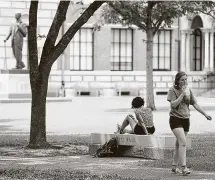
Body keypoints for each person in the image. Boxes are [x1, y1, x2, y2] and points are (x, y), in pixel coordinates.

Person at [167, 71, 212, 176]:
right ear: (177, 81)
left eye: (186, 79)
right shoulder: (172, 90)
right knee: (183, 143)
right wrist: (182, 94)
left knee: (179, 144)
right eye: (182, 80)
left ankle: (174, 166)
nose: (184, 82)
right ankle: (184, 167)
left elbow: (194, 103)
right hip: (175, 119)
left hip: (186, 119)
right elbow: (173, 105)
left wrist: (205, 114)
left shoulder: (188, 90)